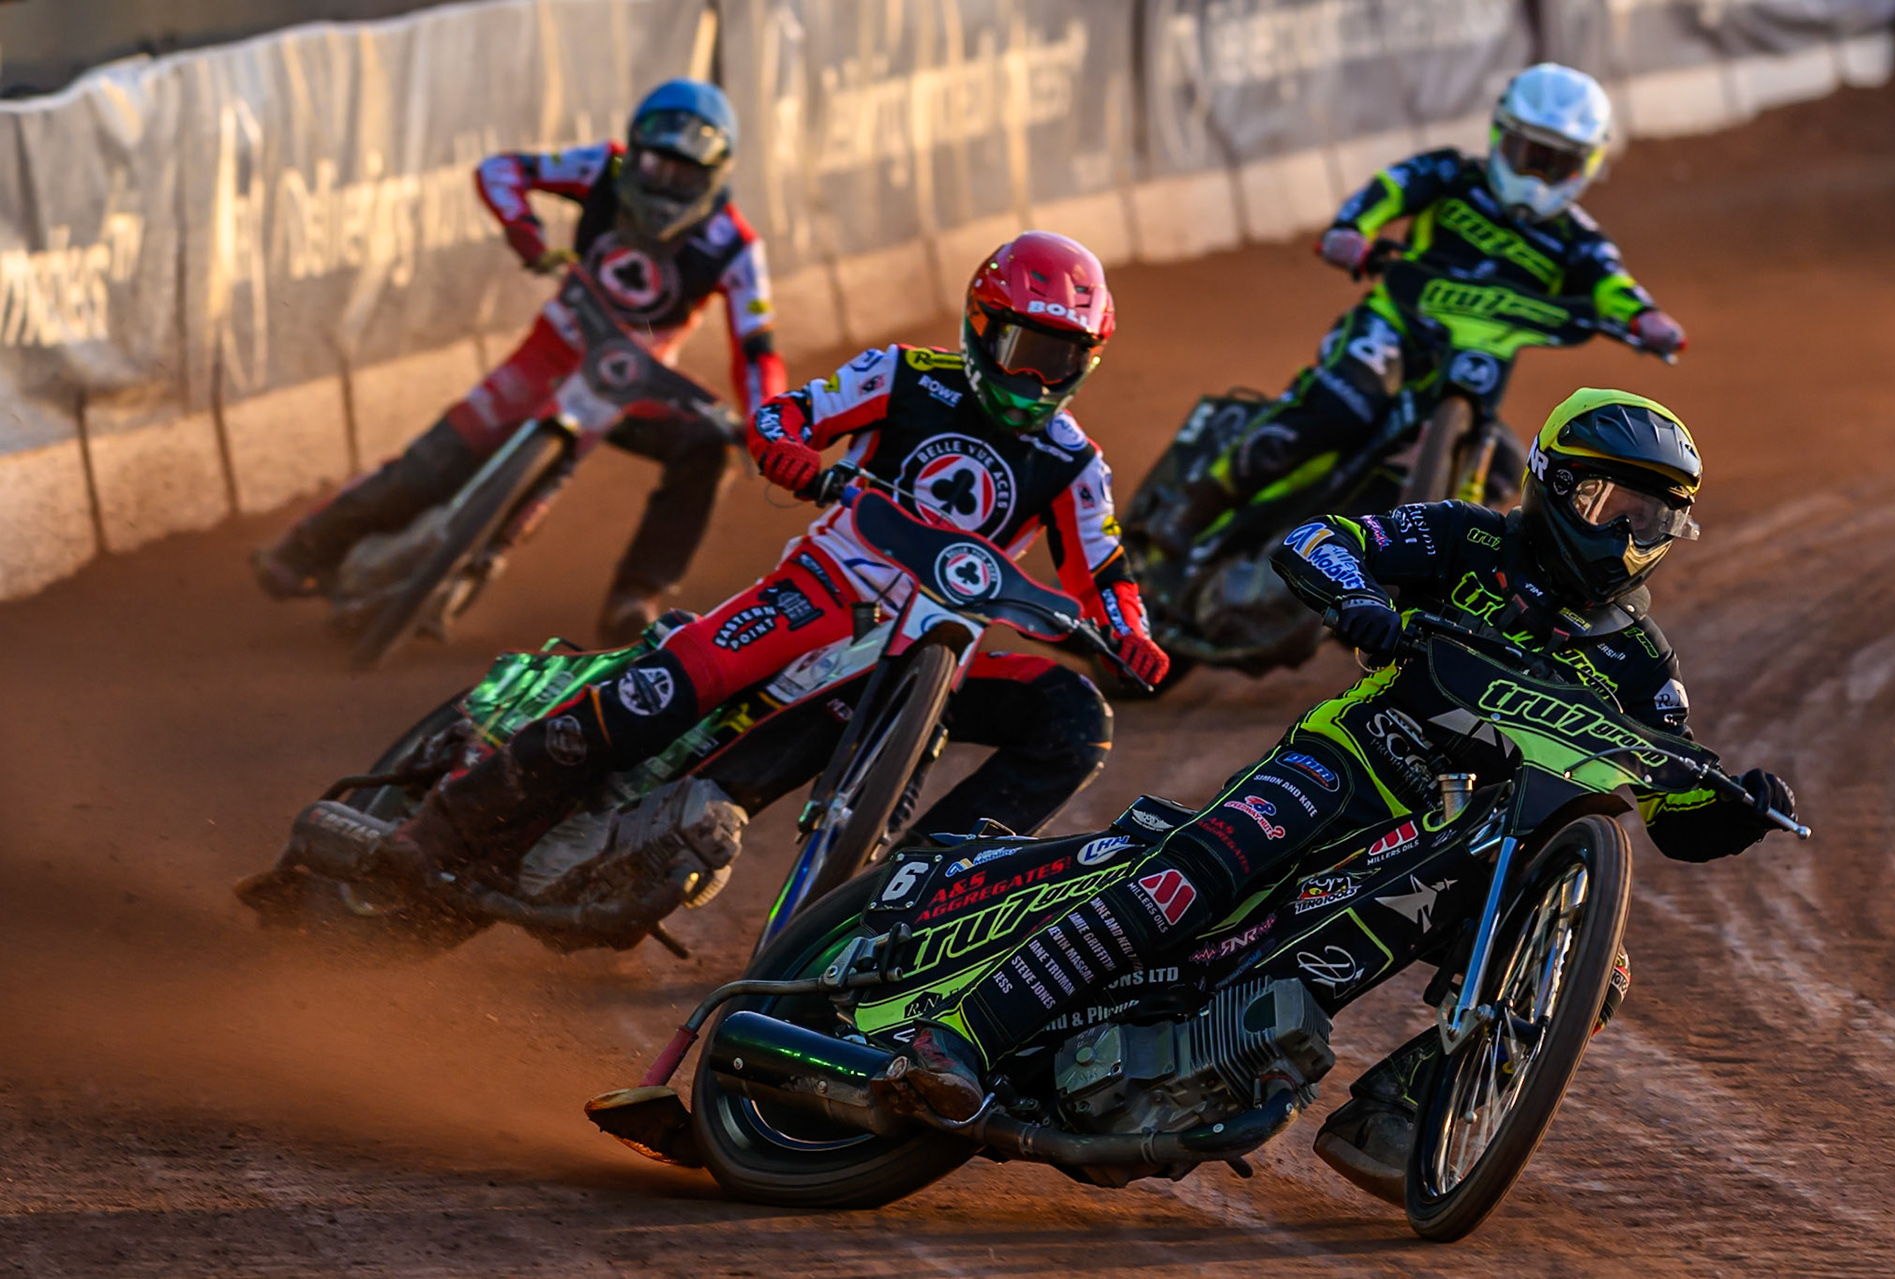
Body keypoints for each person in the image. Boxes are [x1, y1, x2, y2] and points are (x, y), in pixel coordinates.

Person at [878, 388, 1798, 1202]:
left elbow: (1674, 799)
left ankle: (1399, 1111)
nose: (1628, 536)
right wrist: (1359, 599)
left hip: (1470, 837)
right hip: (1350, 761)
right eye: (1610, 504)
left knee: (1590, 967)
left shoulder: (1643, 663)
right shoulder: (1471, 536)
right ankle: (959, 1034)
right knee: (1201, 870)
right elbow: (1320, 539)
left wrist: (1736, 806)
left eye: (1653, 518)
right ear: (1552, 484)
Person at [372, 231, 1170, 904]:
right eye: (1025, 351)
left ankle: (904, 909)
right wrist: (788, 451)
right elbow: (788, 414)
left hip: (931, 657)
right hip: (822, 593)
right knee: (662, 691)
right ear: (982, 327)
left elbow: (1107, 573)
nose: (1035, 379)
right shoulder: (902, 374)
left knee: (1074, 718)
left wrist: (1130, 633)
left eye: (1060, 360)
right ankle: (440, 825)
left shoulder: (1075, 464)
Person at [251, 78, 787, 647]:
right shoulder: (602, 166)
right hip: (553, 351)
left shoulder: (736, 245)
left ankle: (635, 597)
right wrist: (525, 233)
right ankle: (306, 547)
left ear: (715, 175)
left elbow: (758, 348)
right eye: (655, 166)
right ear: (633, 152)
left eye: (684, 175)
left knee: (708, 445)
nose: (664, 186)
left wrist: (768, 424)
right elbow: (500, 170)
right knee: (434, 463)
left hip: (633, 383)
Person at [1152, 62, 1688, 553]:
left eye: (1557, 164)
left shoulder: (1578, 239)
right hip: (1394, 327)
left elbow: (1612, 284)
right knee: (1337, 409)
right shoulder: (1449, 173)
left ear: (1586, 166)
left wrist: (1647, 319)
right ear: (1501, 136)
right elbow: (1387, 191)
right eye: (1531, 154)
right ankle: (1195, 505)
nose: (1536, 176)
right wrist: (1350, 231)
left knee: (1508, 468)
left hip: (1476, 362)